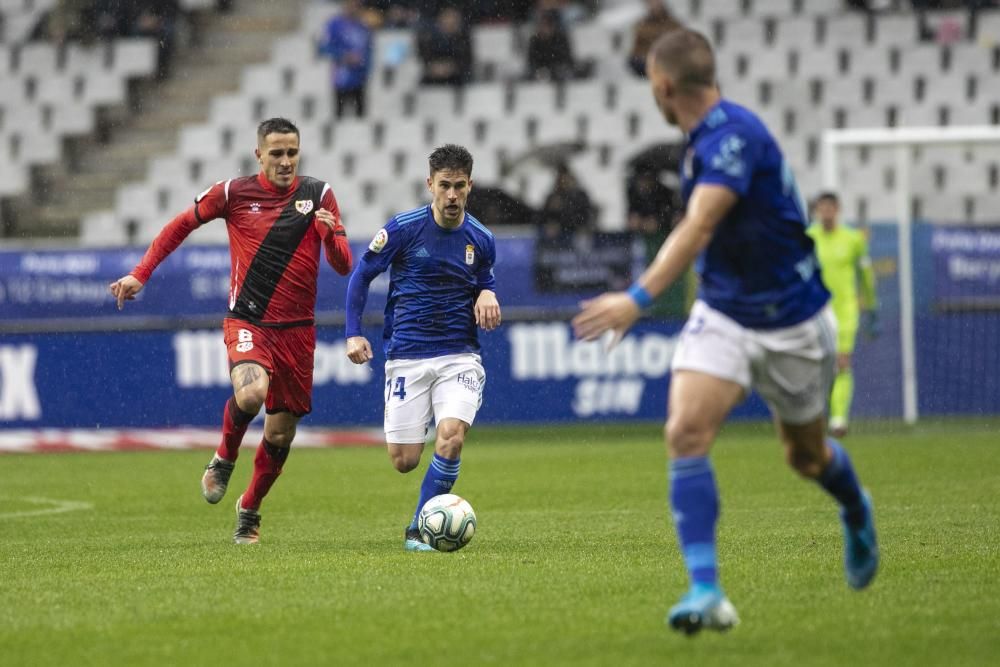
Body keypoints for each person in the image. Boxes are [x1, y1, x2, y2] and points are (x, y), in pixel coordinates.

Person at [572, 29, 878, 635]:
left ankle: (855, 506)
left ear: (662, 85)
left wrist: (638, 297)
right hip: (725, 314)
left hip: (792, 320)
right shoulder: (697, 142)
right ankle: (706, 589)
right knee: (685, 431)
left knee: (807, 457)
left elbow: (701, 222)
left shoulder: (735, 136)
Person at [109, 118, 353, 545]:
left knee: (280, 433)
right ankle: (224, 456)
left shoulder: (319, 194)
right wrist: (140, 274)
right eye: (276, 153)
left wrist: (330, 237)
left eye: (292, 152)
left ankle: (250, 508)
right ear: (259, 154)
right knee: (251, 393)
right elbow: (181, 224)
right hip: (249, 320)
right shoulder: (233, 193)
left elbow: (345, 264)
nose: (285, 161)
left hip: (297, 332)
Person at [344, 144, 501, 552]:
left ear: (471, 186)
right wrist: (352, 332)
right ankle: (428, 505)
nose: (451, 195)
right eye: (444, 185)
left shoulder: (481, 238)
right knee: (404, 461)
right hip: (407, 356)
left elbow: (486, 278)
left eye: (459, 186)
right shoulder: (403, 228)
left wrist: (487, 292)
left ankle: (419, 528)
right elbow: (361, 275)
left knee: (450, 436)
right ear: (430, 183)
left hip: (459, 356)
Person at [807, 192, 879, 438]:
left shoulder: (853, 239)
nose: (826, 213)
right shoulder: (808, 237)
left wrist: (872, 307)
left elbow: (866, 276)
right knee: (817, 366)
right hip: (815, 311)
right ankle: (819, 415)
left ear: (837, 209)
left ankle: (839, 419)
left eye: (830, 208)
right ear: (817, 211)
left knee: (841, 364)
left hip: (845, 310)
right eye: (822, 208)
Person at [319, 0, 373, 118]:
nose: (353, 7)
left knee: (360, 116)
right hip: (341, 77)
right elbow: (324, 48)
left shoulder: (363, 27)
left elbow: (369, 52)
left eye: (356, 5)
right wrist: (344, 56)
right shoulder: (334, 25)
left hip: (359, 77)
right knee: (339, 114)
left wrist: (366, 68)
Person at [416, 6, 474, 87]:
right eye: (447, 18)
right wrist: (434, 67)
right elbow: (424, 55)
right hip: (433, 75)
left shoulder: (463, 38)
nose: (449, 22)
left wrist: (451, 67)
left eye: (453, 19)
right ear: (440, 20)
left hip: (457, 77)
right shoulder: (430, 38)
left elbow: (466, 59)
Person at [538, 163, 594, 241]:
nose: (564, 182)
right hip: (556, 240)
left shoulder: (580, 196)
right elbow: (542, 217)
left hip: (576, 236)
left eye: (566, 179)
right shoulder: (553, 197)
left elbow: (586, 216)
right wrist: (551, 220)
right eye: (561, 179)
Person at [627, 0, 682, 77]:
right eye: (650, 2)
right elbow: (635, 50)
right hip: (645, 61)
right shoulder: (641, 24)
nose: (654, 4)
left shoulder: (673, 23)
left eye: (656, 1)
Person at [525, 8, 576, 82]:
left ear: (552, 26)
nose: (544, 29)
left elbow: (566, 59)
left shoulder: (561, 39)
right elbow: (531, 61)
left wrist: (553, 69)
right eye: (542, 25)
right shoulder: (534, 40)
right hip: (540, 73)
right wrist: (541, 70)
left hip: (558, 72)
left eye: (547, 25)